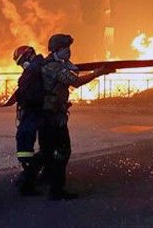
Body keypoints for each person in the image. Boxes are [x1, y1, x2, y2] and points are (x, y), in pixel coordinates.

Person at [40, 34, 115, 200]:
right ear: (56, 49)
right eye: (65, 48)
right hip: (52, 117)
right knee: (62, 151)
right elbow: (76, 82)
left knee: (48, 151)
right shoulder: (53, 67)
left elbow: (72, 69)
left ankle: (40, 180)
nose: (68, 51)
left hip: (51, 115)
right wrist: (97, 73)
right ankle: (56, 189)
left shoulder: (57, 64)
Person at [12, 45, 46, 195]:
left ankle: (28, 180)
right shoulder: (33, 68)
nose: (21, 65)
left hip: (34, 111)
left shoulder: (36, 67)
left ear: (29, 55)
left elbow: (32, 92)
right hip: (29, 111)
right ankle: (27, 177)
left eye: (21, 61)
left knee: (25, 143)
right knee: (24, 144)